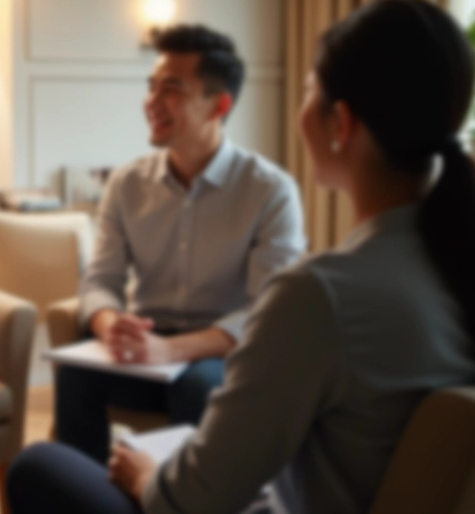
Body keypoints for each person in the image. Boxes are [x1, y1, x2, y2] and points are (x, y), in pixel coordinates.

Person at [7, 0, 475, 514]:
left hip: (212, 417)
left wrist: (148, 474)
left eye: (308, 91)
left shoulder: (315, 293)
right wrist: (109, 323)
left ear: (340, 124)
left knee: (35, 467)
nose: (153, 99)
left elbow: (190, 501)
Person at [58, 24, 306, 464]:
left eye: (171, 88)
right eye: (151, 86)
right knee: (77, 370)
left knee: (198, 385)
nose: (151, 101)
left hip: (221, 354)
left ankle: (178, 500)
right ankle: (88, 496)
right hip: (148, 346)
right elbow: (99, 281)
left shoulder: (269, 190)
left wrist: (173, 350)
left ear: (220, 105)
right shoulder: (127, 183)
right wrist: (110, 325)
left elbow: (267, 312)